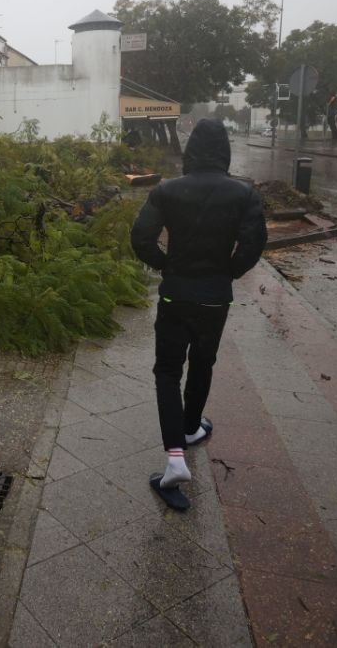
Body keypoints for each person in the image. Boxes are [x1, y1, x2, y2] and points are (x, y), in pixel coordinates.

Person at [129, 118, 267, 497]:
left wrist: (166, 266)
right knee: (203, 363)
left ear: (190, 150)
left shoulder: (168, 190)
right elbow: (254, 245)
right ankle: (191, 427)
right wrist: (226, 273)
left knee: (168, 371)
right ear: (225, 150)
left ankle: (175, 458)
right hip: (214, 298)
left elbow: (140, 238)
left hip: (175, 294)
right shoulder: (244, 194)